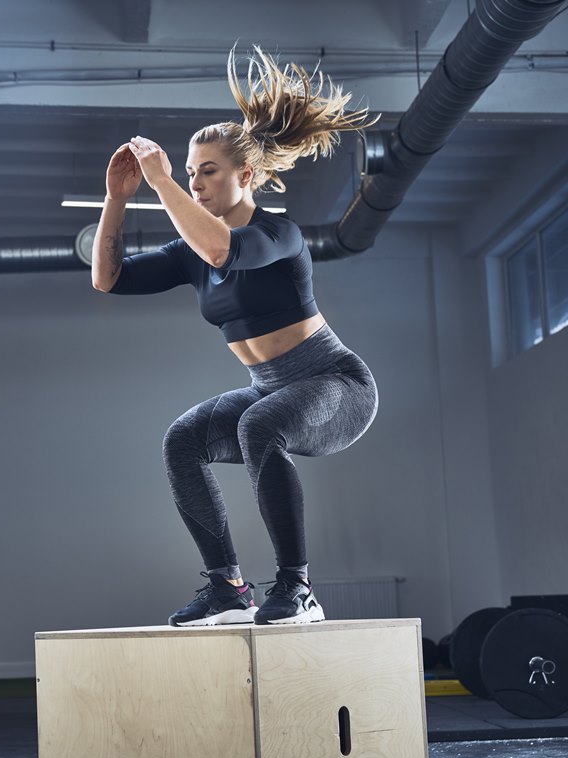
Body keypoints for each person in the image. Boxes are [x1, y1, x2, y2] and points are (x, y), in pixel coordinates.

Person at [91, 47, 379, 626]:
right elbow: (108, 279)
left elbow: (224, 248)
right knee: (183, 440)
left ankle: (297, 589)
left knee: (258, 425)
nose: (195, 183)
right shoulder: (187, 254)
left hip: (335, 385)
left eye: (208, 171)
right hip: (268, 387)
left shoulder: (279, 233)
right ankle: (227, 588)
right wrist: (118, 198)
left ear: (246, 176)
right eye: (191, 171)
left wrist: (161, 181)